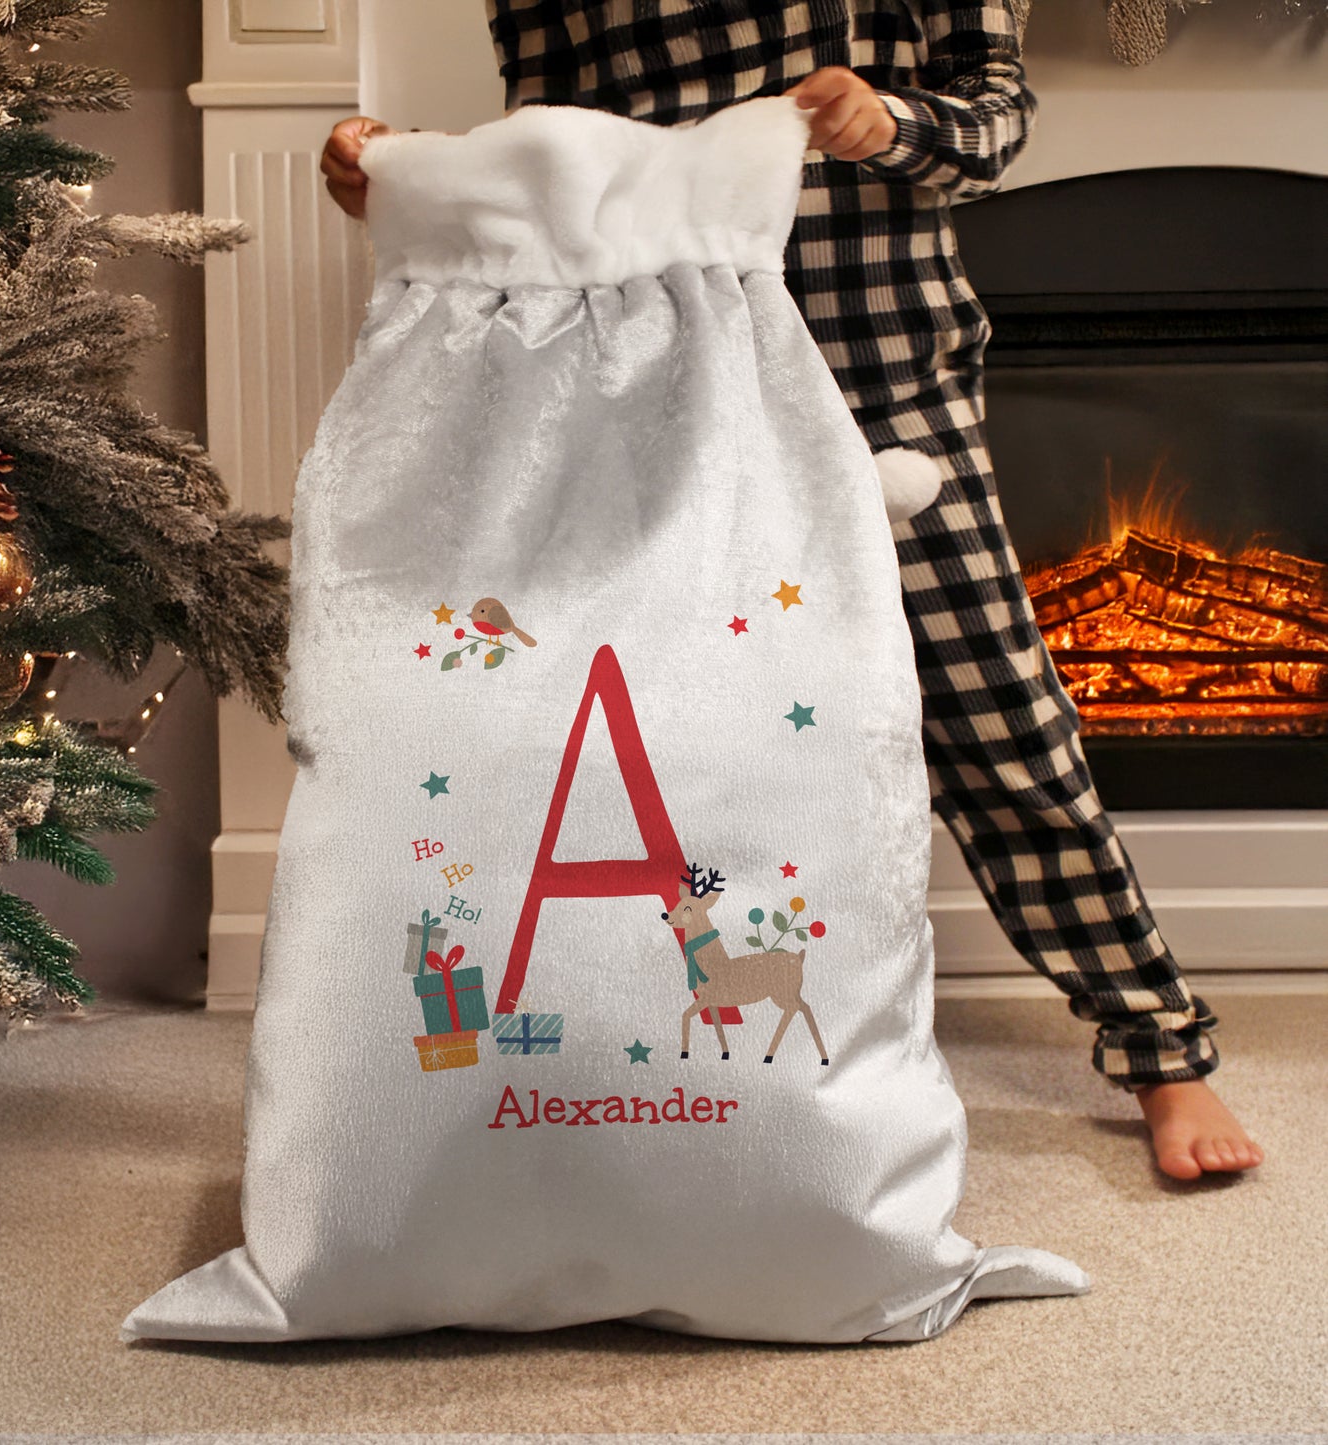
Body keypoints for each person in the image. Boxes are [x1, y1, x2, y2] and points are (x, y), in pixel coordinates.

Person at [318, 0, 1263, 1182]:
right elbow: (549, 152)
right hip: (650, 381)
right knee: (644, 732)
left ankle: (1158, 1044)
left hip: (879, 382)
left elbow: (995, 116)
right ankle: (637, 1064)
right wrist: (408, 180)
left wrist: (889, 124)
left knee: (995, 714)